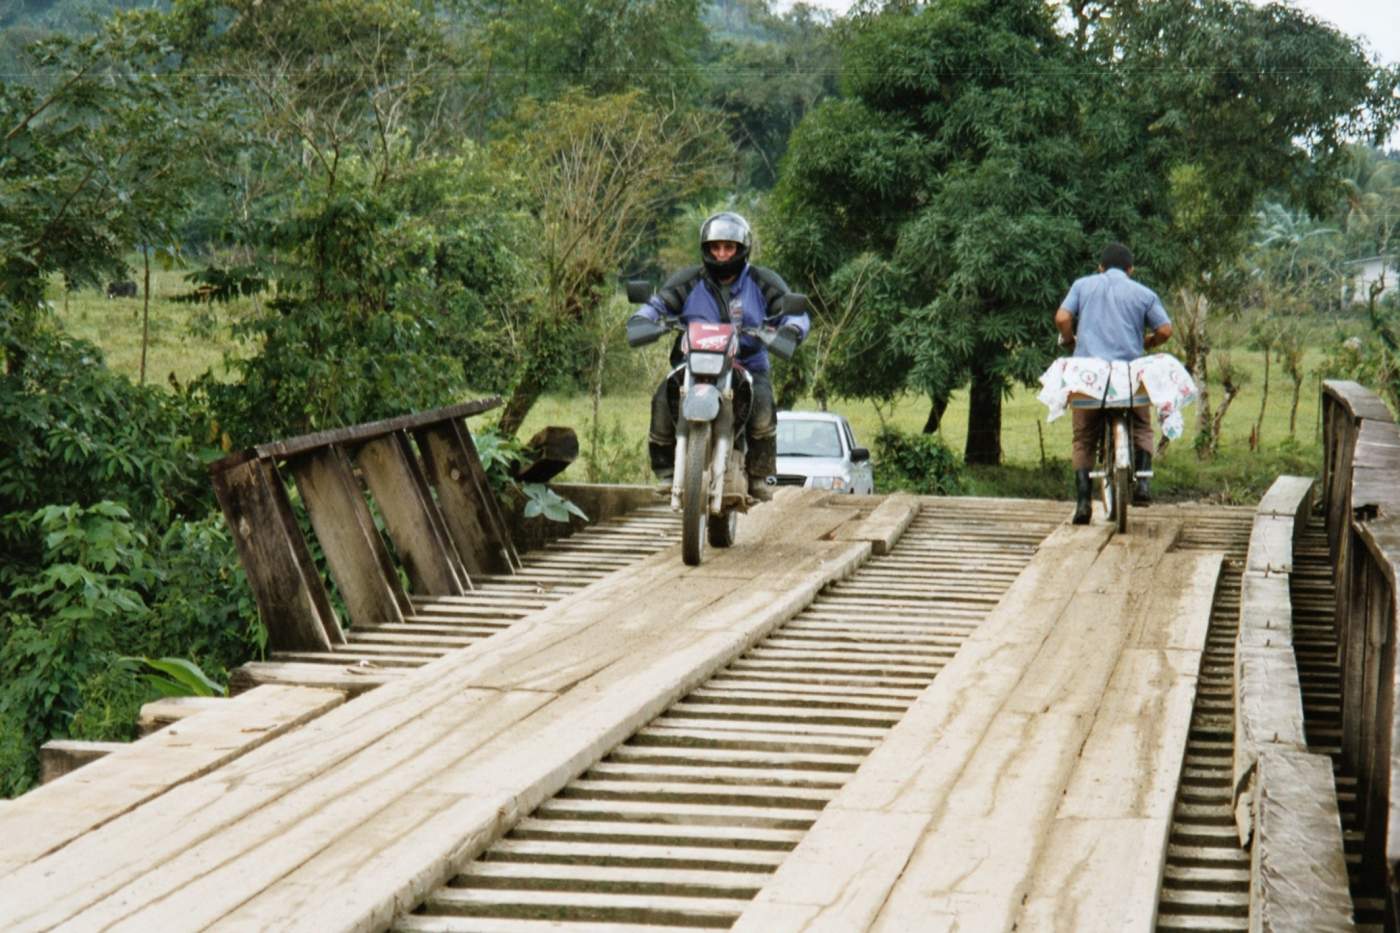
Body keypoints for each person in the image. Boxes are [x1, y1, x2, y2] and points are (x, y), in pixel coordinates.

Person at [629, 211, 809, 501]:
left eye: (729, 247)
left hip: (746, 364)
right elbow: (657, 304)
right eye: (716, 247)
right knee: (663, 397)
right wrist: (643, 319)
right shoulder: (688, 280)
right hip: (694, 363)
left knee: (763, 406)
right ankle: (665, 471)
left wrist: (791, 329)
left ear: (741, 249)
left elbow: (794, 312)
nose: (722, 254)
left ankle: (759, 475)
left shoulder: (762, 281)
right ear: (706, 249)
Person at [1054, 242, 1173, 525]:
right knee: (1142, 424)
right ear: (1130, 269)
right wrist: (1148, 341)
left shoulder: (1083, 286)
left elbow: (1062, 317)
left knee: (1083, 438)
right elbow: (1166, 330)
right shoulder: (1144, 293)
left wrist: (1070, 340)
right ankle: (1143, 485)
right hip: (1128, 374)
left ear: (1100, 267)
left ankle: (1083, 504)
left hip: (1089, 376)